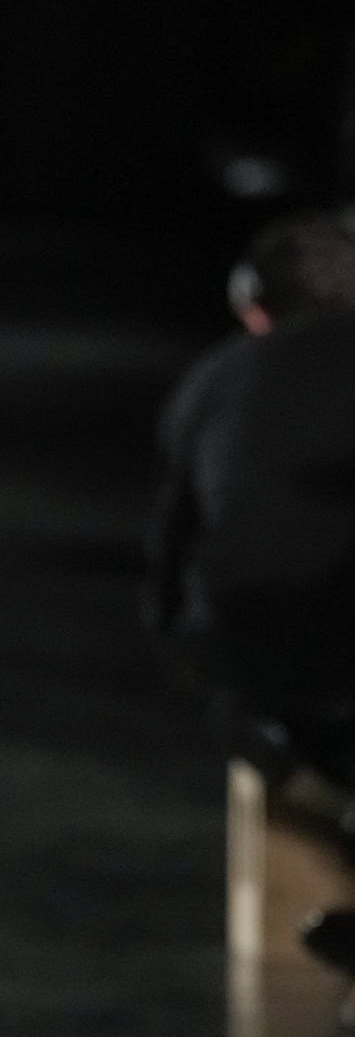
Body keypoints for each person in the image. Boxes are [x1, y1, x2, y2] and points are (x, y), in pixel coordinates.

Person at [147, 210, 355, 791]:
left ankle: (286, 754)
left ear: (256, 310)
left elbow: (174, 542)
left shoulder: (216, 376)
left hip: (243, 649)